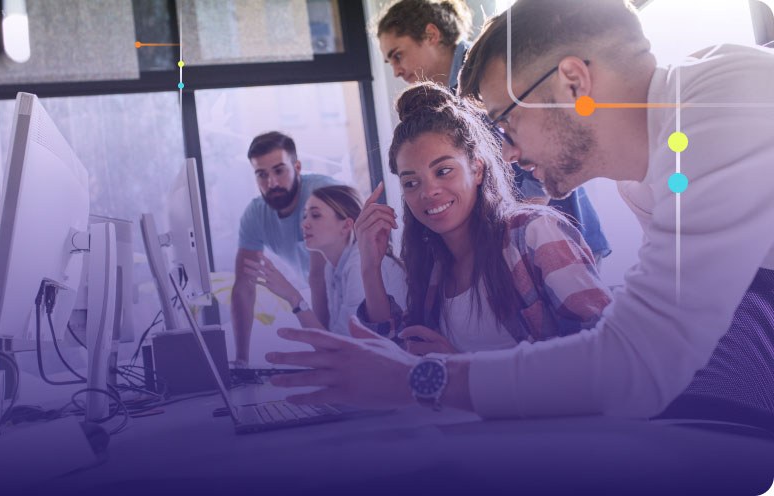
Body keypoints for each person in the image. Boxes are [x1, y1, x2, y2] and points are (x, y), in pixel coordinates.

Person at [266, 0, 774, 423]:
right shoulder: (643, 181)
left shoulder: (719, 106)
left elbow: (636, 361)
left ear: (573, 82)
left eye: (505, 124)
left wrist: (415, 379)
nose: (504, 152)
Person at [354, 82, 611, 355]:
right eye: (411, 183)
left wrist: (459, 369)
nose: (429, 192)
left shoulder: (533, 233)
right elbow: (394, 360)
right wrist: (370, 266)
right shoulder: (432, 268)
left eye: (443, 171)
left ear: (477, 169)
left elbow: (605, 348)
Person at [375, 0, 611, 265]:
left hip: (552, 237)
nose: (395, 70)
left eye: (398, 55)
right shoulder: (450, 100)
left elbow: (544, 151)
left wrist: (517, 234)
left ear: (431, 35)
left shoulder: (487, 78)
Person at [231, 131, 338, 364]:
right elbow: (244, 287)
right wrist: (241, 361)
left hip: (351, 294)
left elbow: (318, 278)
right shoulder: (255, 215)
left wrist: (324, 351)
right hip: (320, 302)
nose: (272, 183)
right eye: (262, 174)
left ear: (297, 167)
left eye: (279, 170)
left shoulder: (321, 196)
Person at [243, 185, 407, 336]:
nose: (305, 224)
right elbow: (335, 338)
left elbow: (345, 348)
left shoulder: (358, 265)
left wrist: (293, 296)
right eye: (305, 216)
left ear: (346, 226)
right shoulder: (331, 268)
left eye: (315, 215)